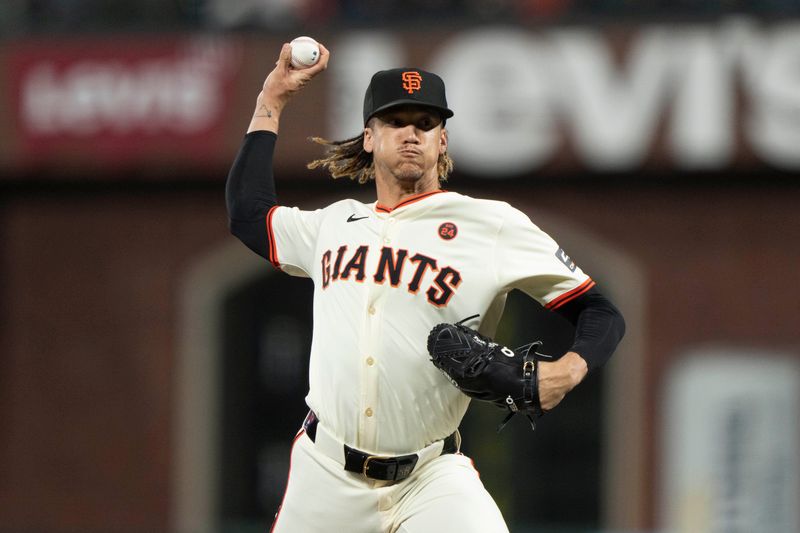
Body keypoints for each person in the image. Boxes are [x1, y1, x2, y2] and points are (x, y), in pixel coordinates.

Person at [226, 41, 625, 533]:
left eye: (425, 123)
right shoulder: (333, 225)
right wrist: (271, 101)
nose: (411, 133)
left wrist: (567, 370)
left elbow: (599, 311)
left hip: (430, 477)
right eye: (396, 122)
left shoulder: (490, 225)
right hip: (325, 474)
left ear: (443, 141)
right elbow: (248, 214)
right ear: (369, 138)